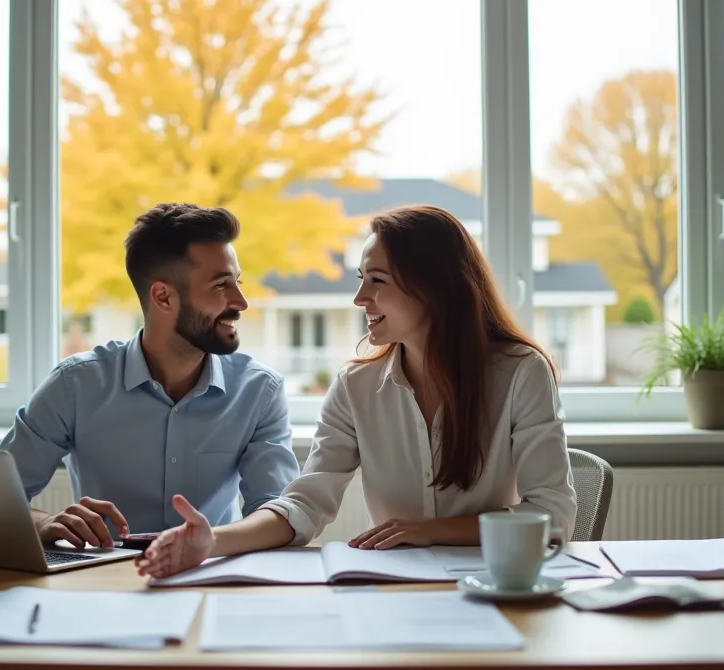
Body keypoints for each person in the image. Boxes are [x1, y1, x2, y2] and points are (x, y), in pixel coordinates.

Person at [136, 204, 577, 578]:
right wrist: (212, 541)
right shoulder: (356, 385)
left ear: (436, 287)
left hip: (494, 584)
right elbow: (306, 504)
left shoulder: (521, 372)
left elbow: (553, 517)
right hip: (395, 590)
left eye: (378, 280)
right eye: (361, 278)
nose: (359, 297)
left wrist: (432, 530)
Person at [0, 202, 300, 550]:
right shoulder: (75, 385)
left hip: (209, 577)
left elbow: (279, 513)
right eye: (220, 286)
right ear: (163, 297)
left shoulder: (259, 391)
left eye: (238, 282)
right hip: (103, 583)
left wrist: (207, 543)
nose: (241, 302)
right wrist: (46, 523)